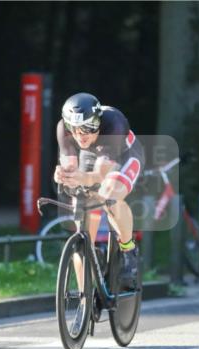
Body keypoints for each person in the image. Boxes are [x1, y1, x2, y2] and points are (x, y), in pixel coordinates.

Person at [54, 92, 143, 288]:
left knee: (110, 194)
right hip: (91, 157)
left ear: (98, 121)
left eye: (87, 127)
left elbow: (100, 175)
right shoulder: (63, 128)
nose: (80, 135)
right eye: (74, 129)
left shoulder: (113, 123)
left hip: (124, 156)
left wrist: (82, 178)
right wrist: (64, 175)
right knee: (82, 224)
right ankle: (85, 299)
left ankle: (128, 250)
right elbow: (70, 166)